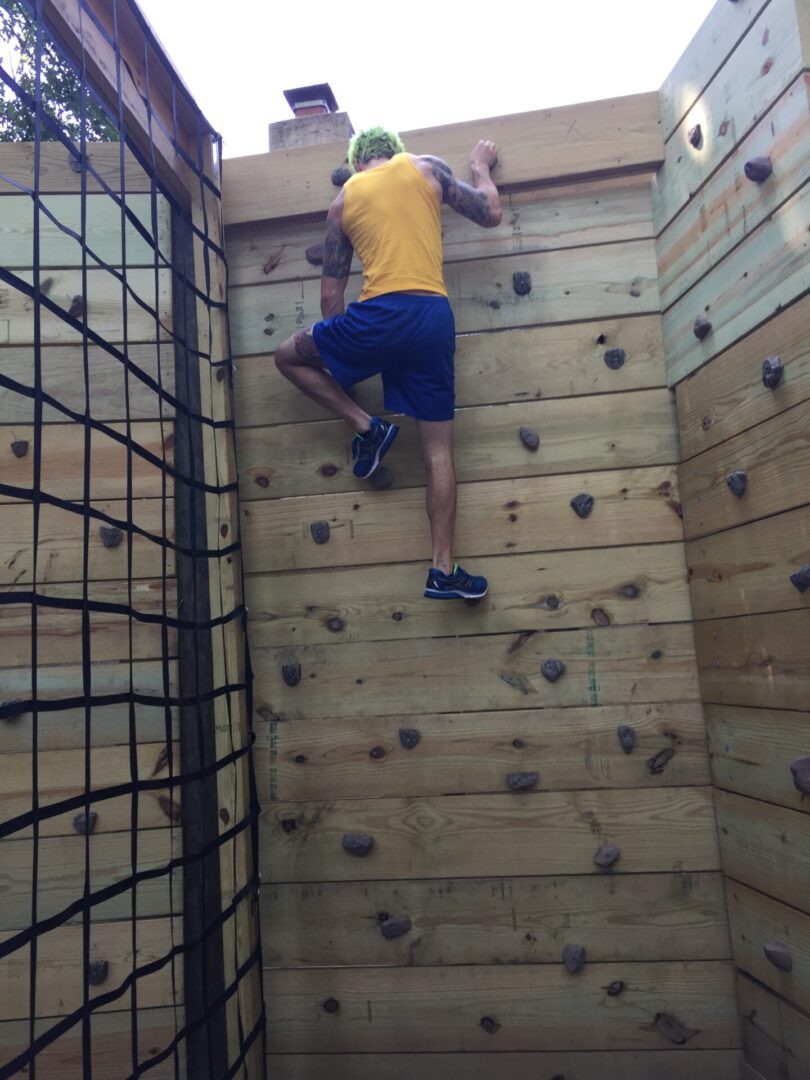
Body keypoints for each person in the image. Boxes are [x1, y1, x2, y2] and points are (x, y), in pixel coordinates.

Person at [274, 126, 502, 599]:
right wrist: (480, 170)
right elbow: (491, 213)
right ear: (395, 152)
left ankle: (366, 426)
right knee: (438, 451)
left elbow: (330, 294)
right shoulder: (428, 168)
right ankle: (442, 568)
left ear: (357, 162)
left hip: (378, 317)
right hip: (433, 319)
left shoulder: (345, 198)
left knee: (286, 357)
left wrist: (340, 359)